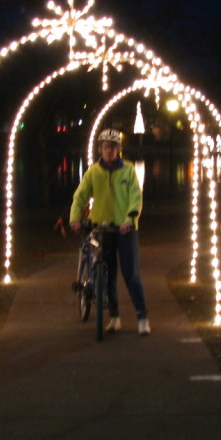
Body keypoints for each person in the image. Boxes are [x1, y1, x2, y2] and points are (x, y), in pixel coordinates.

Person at [69, 128, 150, 335]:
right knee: (107, 273)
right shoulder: (93, 172)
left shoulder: (129, 170)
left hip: (125, 229)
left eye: (113, 147)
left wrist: (130, 219)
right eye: (106, 147)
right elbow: (80, 196)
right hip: (101, 228)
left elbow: (135, 197)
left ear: (118, 150)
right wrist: (75, 218)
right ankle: (114, 316)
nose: (109, 150)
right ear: (100, 149)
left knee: (131, 274)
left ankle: (142, 316)